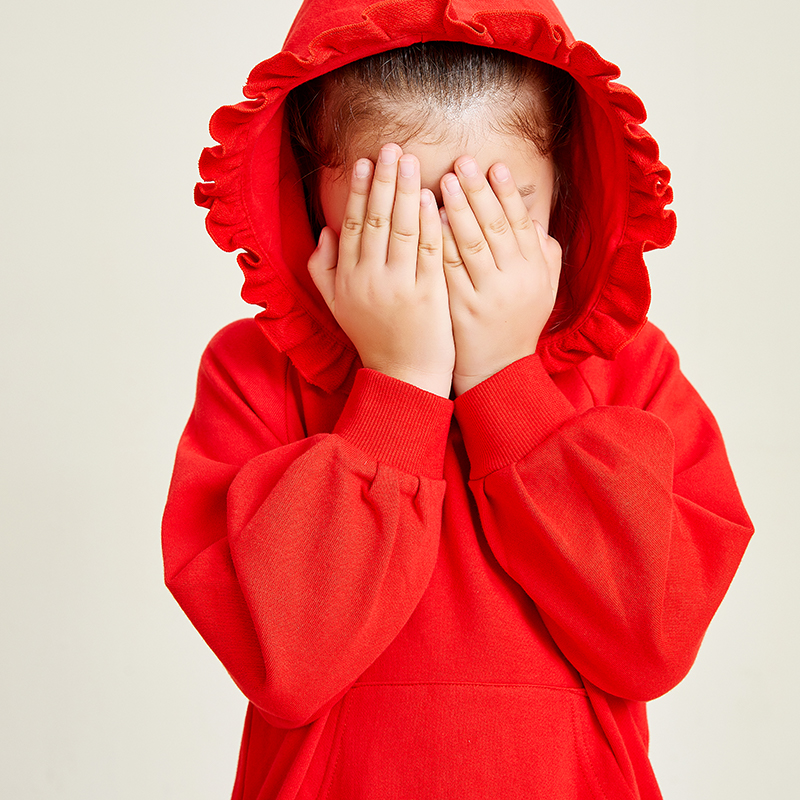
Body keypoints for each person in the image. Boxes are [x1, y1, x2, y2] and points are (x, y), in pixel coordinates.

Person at [162, 0, 754, 797]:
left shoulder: (631, 368)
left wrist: (506, 377)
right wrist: (398, 384)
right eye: (399, 213)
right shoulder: (253, 373)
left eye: (492, 211)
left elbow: (651, 642)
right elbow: (285, 666)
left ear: (564, 197)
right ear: (313, 198)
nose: (447, 247)